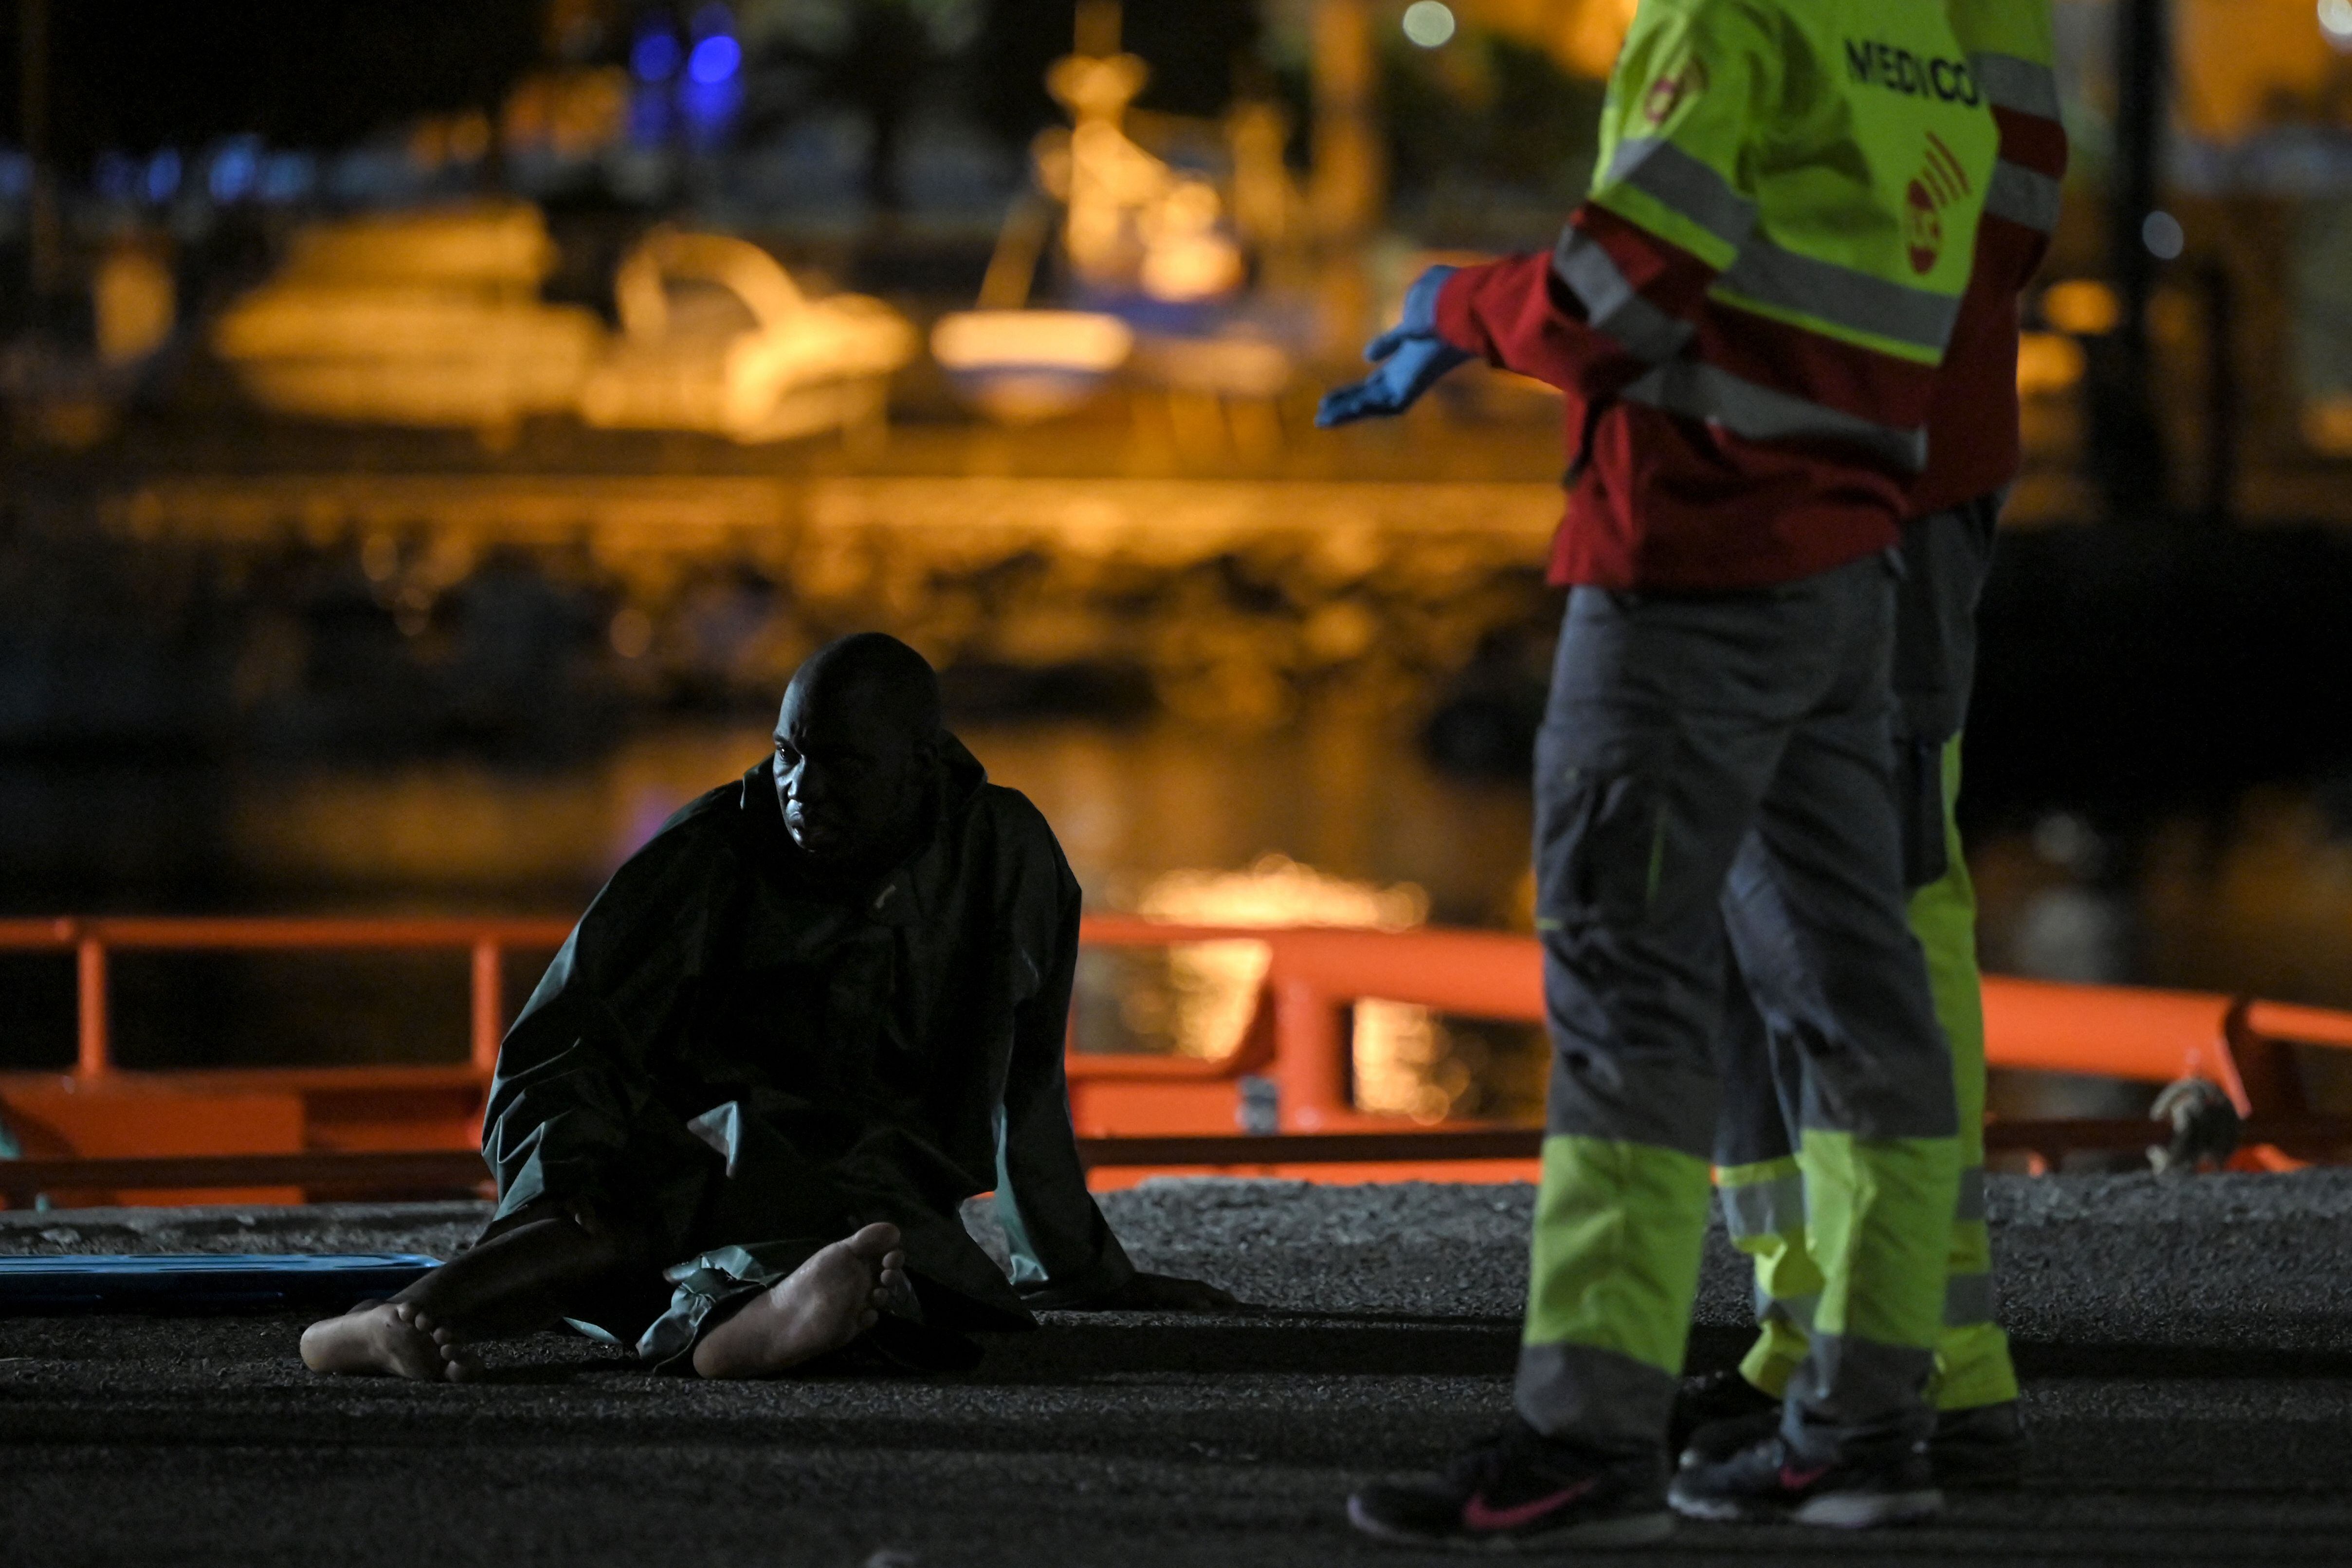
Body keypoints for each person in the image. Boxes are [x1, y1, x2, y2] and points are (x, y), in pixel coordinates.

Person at [1321, 0, 1994, 1546]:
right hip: (1847, 574)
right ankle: (1870, 1422)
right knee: (1861, 1004)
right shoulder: (1912, 46)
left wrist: (1451, 299)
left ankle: (1585, 1437)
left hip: (1686, 577)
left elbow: (1608, 297)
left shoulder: (1730, 21)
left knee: (1627, 998)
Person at [302, 632, 1234, 1383]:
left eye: (840, 766)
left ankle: (746, 1329)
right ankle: (372, 1326)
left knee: (910, 1280)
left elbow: (1030, 1074)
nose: (801, 789)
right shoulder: (708, 852)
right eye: (786, 754)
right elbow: (564, 1039)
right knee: (617, 1230)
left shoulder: (1008, 855)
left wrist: (1074, 1269)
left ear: (921, 765)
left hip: (870, 1179)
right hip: (688, 1159)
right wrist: (572, 1174)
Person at [1676, 0, 2067, 1488]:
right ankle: (1813, 1323)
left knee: (1868, 904)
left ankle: (1907, 1358)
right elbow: (2010, 197)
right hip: (1826, 461)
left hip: (1858, 477)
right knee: (1766, 905)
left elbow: (1983, 202)